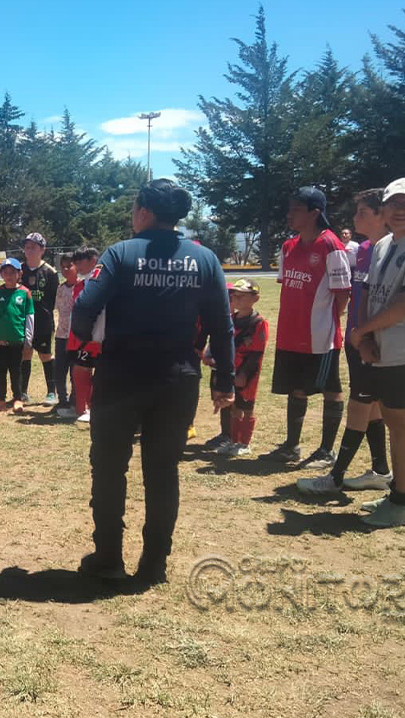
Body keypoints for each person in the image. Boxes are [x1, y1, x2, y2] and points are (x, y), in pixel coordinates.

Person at [72, 179, 233, 586]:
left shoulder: (121, 253)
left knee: (109, 470)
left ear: (143, 211)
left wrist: (89, 342)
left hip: (121, 376)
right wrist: (225, 380)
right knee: (163, 472)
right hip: (178, 379)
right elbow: (222, 326)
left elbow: (84, 306)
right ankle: (154, 564)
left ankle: (108, 556)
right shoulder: (204, 258)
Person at [345, 179, 405, 528]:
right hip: (381, 349)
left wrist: (363, 331)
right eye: (394, 203)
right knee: (392, 421)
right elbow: (369, 293)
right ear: (384, 209)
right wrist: (366, 338)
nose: (400, 210)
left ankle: (404, 503)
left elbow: (404, 304)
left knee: (404, 425)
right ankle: (396, 492)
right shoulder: (385, 243)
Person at [297, 188, 393, 494]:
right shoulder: (363, 249)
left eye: (363, 212)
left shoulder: (392, 251)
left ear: (383, 216)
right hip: (355, 338)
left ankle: (336, 476)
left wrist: (366, 334)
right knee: (373, 407)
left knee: (359, 406)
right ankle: (380, 471)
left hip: (373, 342)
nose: (354, 218)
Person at [260, 187, 351, 468]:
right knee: (296, 388)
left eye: (296, 209)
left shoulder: (331, 245)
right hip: (291, 333)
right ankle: (292, 446)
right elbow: (288, 286)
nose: (289, 214)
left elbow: (342, 293)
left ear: (314, 213)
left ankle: (326, 451)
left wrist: (327, 322)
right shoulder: (289, 246)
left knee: (330, 387)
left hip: (320, 336)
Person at [210, 279, 268, 457]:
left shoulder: (258, 322)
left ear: (255, 298)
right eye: (234, 296)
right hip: (231, 370)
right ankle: (233, 440)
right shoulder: (231, 320)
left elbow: (257, 352)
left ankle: (244, 443)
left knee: (246, 406)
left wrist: (244, 373)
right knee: (233, 406)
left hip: (247, 372)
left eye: (242, 296)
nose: (236, 299)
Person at [0, 258, 33, 414]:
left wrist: (28, 342)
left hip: (17, 342)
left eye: (12, 272)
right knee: (0, 373)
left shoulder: (25, 293)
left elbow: (29, 318)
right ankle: (1, 399)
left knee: (16, 372)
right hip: (0, 343)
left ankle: (17, 398)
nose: (9, 275)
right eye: (5, 272)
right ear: (1, 274)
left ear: (19, 273)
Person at [19, 232, 59, 405]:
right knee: (25, 353)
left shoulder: (50, 272)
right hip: (22, 320)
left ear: (42, 250)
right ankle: (22, 392)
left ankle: (52, 392)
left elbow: (52, 299)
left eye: (33, 247)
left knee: (45, 354)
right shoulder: (19, 270)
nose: (29, 250)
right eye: (27, 247)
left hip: (43, 320)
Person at [66, 247, 103, 423]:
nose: (77, 266)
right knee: (79, 370)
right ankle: (81, 408)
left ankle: (96, 409)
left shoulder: (103, 283)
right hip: (81, 337)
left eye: (80, 262)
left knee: (100, 374)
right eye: (76, 262)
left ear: (93, 260)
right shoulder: (80, 285)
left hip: (100, 337)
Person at [53, 252, 79, 419]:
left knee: (76, 371)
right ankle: (62, 400)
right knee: (59, 370)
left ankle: (76, 400)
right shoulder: (61, 289)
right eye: (63, 267)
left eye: (69, 266)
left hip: (78, 337)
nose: (66, 269)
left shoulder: (85, 287)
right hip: (61, 336)